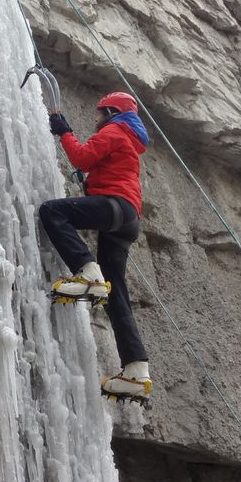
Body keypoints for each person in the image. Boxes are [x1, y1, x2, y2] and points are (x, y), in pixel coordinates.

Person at [39, 92, 152, 402]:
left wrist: (63, 130)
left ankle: (88, 274)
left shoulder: (115, 131)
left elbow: (82, 158)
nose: (96, 118)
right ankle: (136, 369)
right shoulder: (128, 139)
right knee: (116, 293)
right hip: (127, 217)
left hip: (115, 207)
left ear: (112, 112)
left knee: (52, 211)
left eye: (100, 112)